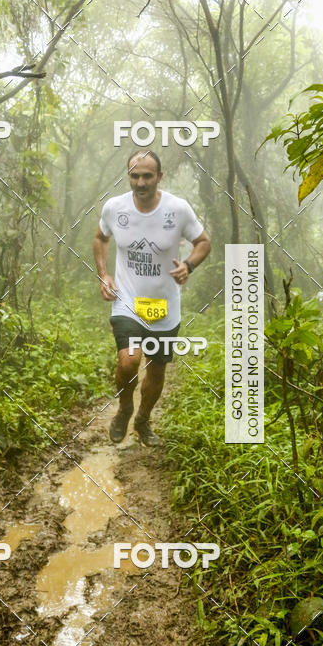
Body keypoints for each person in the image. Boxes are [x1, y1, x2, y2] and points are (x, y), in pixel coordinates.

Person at [93, 150, 211, 445]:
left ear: (160, 176)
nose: (141, 182)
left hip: (165, 305)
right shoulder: (114, 208)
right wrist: (104, 274)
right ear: (129, 177)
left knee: (156, 370)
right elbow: (100, 238)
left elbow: (203, 242)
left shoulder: (178, 209)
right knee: (129, 361)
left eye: (147, 176)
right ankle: (124, 409)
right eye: (135, 176)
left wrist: (189, 265)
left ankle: (143, 420)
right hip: (127, 300)